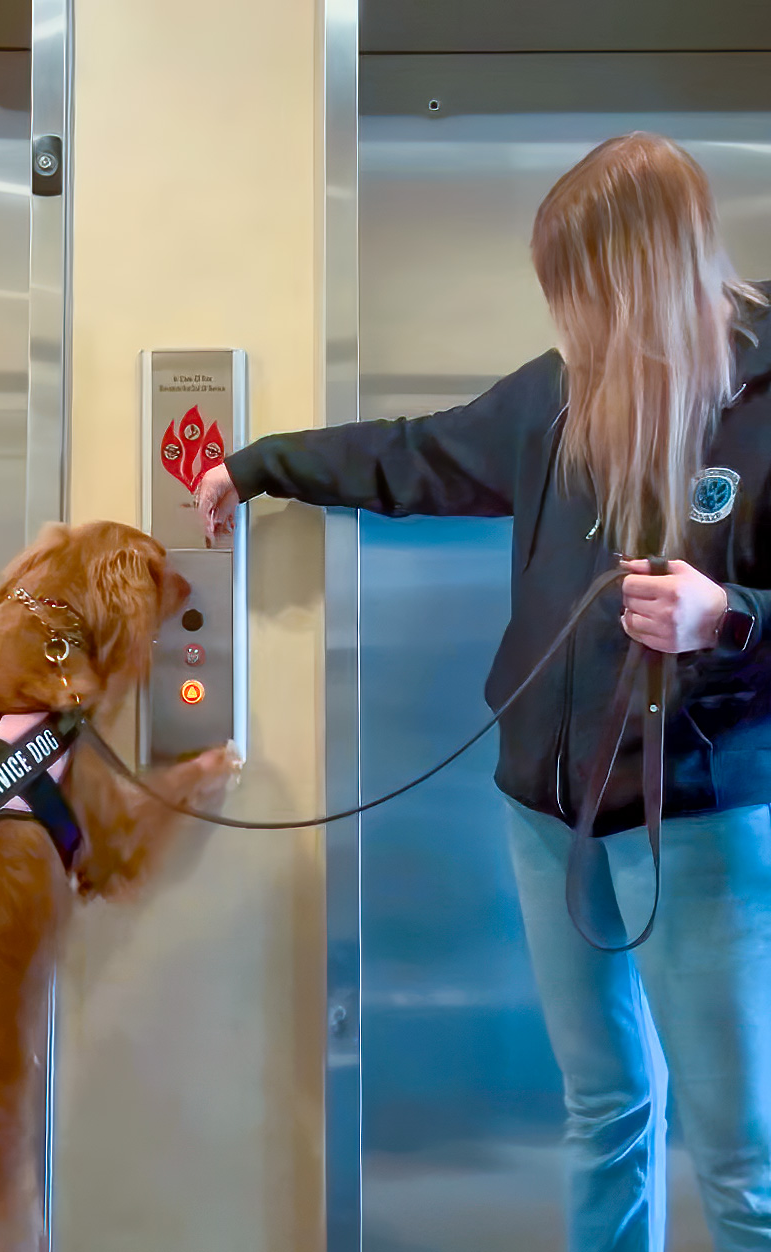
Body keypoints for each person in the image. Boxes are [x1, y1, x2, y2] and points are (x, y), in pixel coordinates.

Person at [197, 133, 771, 1252]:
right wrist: (257, 464)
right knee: (605, 1108)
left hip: (698, 822)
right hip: (548, 815)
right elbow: (412, 455)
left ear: (641, 276)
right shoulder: (558, 394)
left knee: (742, 1161)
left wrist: (730, 615)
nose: (568, 326)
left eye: (580, 294)